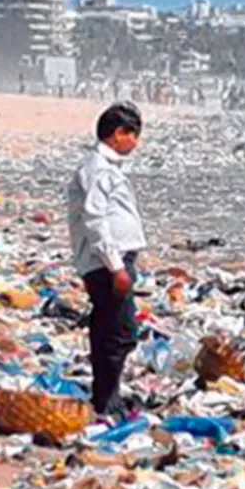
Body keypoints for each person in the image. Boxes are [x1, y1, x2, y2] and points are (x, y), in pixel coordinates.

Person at [66, 102, 147, 419]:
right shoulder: (97, 169)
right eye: (133, 135)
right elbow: (95, 219)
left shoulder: (105, 167)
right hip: (105, 263)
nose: (136, 143)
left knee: (109, 328)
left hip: (110, 259)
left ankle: (106, 396)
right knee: (120, 332)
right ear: (118, 134)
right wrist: (116, 267)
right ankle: (106, 401)